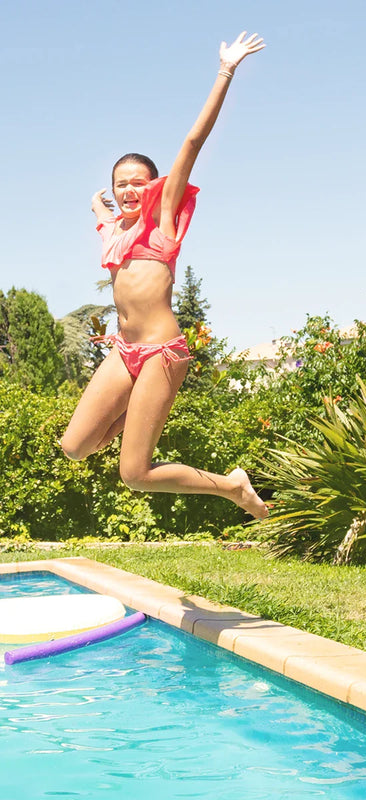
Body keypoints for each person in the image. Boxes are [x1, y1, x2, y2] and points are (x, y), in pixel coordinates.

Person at [61, 32, 267, 520]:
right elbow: (102, 212)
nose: (129, 190)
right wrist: (98, 202)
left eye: (138, 183)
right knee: (75, 447)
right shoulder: (114, 230)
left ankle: (232, 486)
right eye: (121, 185)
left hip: (160, 351)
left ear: (152, 186)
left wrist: (226, 70)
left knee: (134, 474)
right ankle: (127, 414)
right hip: (123, 351)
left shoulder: (162, 219)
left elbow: (193, 141)